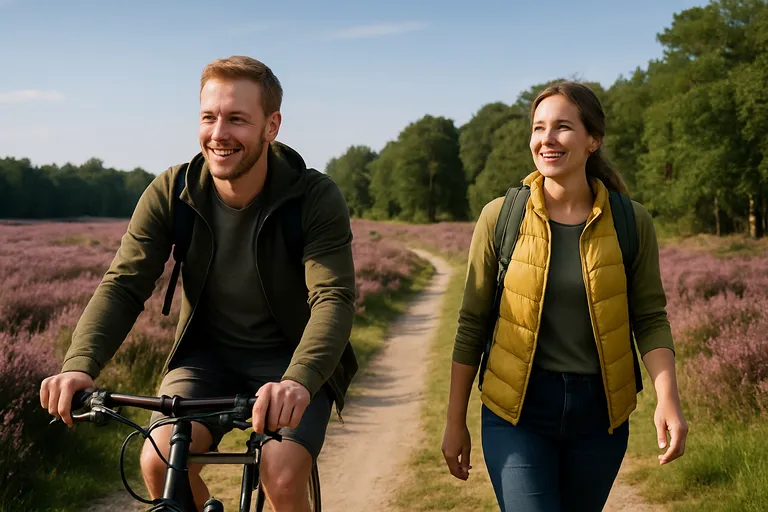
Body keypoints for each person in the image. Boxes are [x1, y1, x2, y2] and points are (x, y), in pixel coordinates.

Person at [39, 55, 358, 512]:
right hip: (206, 360)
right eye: (209, 117)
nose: (219, 133)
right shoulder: (173, 192)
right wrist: (79, 363)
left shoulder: (313, 197)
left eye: (237, 119)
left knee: (282, 474)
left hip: (290, 359)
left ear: (272, 126)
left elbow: (332, 298)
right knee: (159, 460)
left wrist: (300, 380)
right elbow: (123, 285)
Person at [441, 81, 688, 511]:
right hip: (516, 412)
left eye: (562, 127)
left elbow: (648, 317)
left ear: (593, 140)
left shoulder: (632, 222)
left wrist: (668, 398)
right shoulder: (501, 216)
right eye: (538, 128)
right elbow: (472, 323)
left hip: (600, 417)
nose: (546, 139)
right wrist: (454, 420)